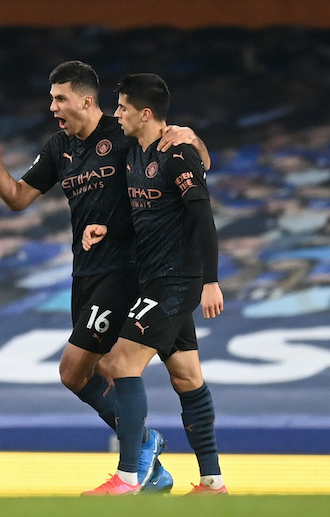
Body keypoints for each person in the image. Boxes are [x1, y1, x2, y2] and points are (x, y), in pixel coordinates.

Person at [0, 60, 212, 493]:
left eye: (59, 98)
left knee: (78, 370)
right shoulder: (58, 148)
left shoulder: (122, 134)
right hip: (87, 271)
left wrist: (192, 135)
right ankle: (165, 467)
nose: (52, 108)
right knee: (178, 373)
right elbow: (18, 198)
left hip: (129, 270)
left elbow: (192, 164)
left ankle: (137, 454)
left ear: (86, 100)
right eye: (51, 99)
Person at [82, 73, 226, 495]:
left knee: (117, 364)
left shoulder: (177, 153)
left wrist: (211, 281)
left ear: (145, 113)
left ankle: (128, 477)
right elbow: (143, 213)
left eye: (123, 107)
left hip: (175, 279)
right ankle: (213, 483)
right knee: (186, 377)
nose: (116, 114)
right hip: (154, 277)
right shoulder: (133, 153)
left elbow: (203, 216)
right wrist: (107, 229)